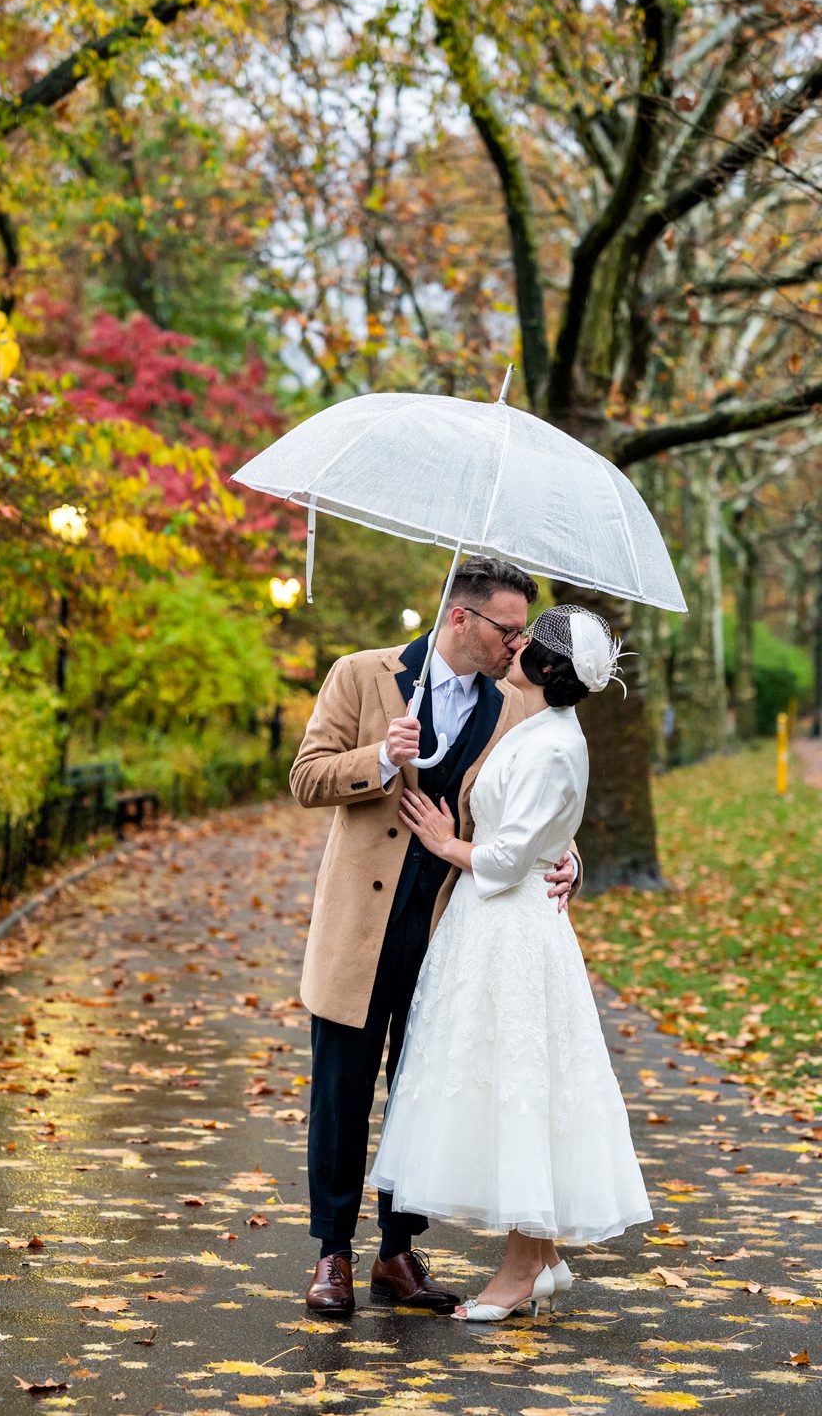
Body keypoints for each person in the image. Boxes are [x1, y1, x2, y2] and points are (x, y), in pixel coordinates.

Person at [288, 557, 579, 1315]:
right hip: (360, 921)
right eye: (507, 629)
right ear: (460, 616)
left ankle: (396, 1251)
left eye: (522, 632)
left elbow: (533, 807)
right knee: (342, 1089)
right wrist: (382, 755)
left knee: (418, 1088)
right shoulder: (360, 675)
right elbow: (306, 775)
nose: (518, 645)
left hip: (450, 925)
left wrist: (566, 853)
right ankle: (331, 1254)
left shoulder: (513, 707)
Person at [372, 606, 652, 1320]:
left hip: (514, 927)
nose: (518, 641)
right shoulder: (532, 725)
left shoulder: (555, 744)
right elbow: (541, 835)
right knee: (500, 1081)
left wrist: (443, 842)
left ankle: (522, 1267)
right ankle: (545, 1258)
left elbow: (505, 857)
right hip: (490, 925)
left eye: (533, 638)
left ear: (550, 667)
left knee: (522, 1087)